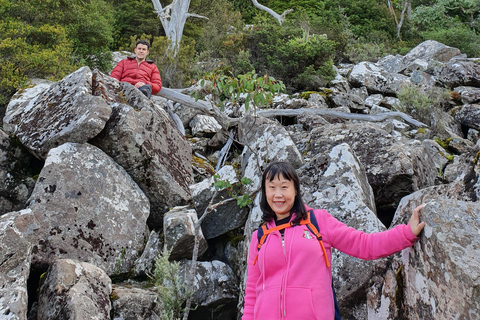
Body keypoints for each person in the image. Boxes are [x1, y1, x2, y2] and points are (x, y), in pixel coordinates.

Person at [242, 161, 426, 320]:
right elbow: (251, 294)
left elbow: (364, 245)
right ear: (265, 193)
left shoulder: (317, 222)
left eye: (284, 187)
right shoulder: (260, 237)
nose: (278, 194)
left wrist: (406, 233)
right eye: (271, 187)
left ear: (296, 190)